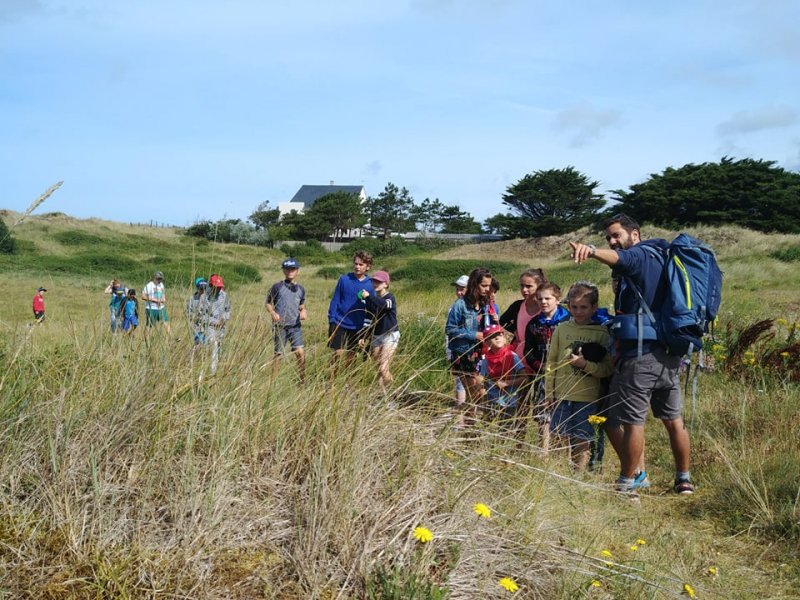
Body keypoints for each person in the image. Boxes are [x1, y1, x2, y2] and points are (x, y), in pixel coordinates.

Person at [570, 213, 694, 495]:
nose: (613, 242)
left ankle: (629, 481)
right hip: (669, 355)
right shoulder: (662, 256)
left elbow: (622, 260)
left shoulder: (638, 255)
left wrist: (591, 251)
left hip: (640, 358)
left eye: (617, 236)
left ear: (634, 234)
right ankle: (684, 478)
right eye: (608, 239)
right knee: (674, 421)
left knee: (628, 421)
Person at [545, 281, 613, 470]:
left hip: (587, 397)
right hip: (561, 395)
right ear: (568, 306)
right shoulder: (562, 329)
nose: (579, 311)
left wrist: (585, 365)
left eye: (584, 307)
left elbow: (607, 369)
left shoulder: (601, 333)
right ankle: (557, 474)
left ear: (594, 307)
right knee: (557, 436)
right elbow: (551, 363)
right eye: (574, 307)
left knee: (582, 439)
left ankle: (578, 473)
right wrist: (549, 392)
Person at [524, 282, 570, 451]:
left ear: (557, 300)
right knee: (543, 414)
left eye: (548, 298)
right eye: (540, 299)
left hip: (565, 374)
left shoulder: (569, 320)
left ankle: (563, 450)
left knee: (563, 411)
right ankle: (544, 451)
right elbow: (528, 351)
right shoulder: (534, 324)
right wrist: (539, 366)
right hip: (542, 374)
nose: (543, 302)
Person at [500, 269, 547, 433]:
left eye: (529, 286)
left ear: (539, 286)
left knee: (543, 404)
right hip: (520, 361)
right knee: (521, 402)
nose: (524, 290)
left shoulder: (547, 307)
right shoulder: (517, 306)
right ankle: (518, 441)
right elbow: (503, 325)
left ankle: (545, 446)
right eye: (522, 286)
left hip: (542, 361)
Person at [445, 267, 493, 423]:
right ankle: (470, 428)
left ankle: (469, 427)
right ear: (474, 284)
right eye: (484, 285)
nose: (487, 289)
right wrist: (474, 335)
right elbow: (450, 329)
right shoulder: (460, 305)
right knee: (475, 393)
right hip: (462, 353)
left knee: (479, 392)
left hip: (480, 353)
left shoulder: (485, 304)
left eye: (488, 286)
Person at [327, 251, 375, 375]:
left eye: (361, 264)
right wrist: (332, 319)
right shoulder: (344, 279)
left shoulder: (371, 284)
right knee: (337, 353)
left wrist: (368, 328)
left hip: (358, 325)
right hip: (340, 321)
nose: (357, 267)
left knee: (351, 355)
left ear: (368, 267)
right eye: (356, 264)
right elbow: (335, 299)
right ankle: (331, 381)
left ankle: (347, 382)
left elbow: (372, 305)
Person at [266, 258, 307, 383]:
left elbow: (301, 304)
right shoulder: (277, 286)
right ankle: (274, 381)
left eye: (293, 269)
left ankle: (302, 379)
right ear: (284, 270)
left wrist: (303, 311)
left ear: (297, 271)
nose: (290, 271)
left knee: (300, 352)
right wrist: (272, 312)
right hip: (280, 326)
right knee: (278, 355)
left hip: (295, 326)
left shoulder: (301, 289)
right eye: (287, 269)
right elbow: (268, 303)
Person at [478, 324, 527, 423]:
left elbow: (525, 378)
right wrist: (483, 395)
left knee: (505, 430)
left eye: (499, 335)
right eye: (492, 337)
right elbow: (482, 379)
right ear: (487, 343)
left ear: (504, 339)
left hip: (509, 402)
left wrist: (506, 383)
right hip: (491, 401)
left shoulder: (512, 356)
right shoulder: (485, 360)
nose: (497, 338)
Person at [360, 270, 399, 388]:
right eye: (374, 281)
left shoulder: (389, 297)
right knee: (378, 367)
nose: (375, 283)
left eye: (379, 282)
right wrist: (363, 336)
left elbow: (384, 305)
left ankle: (396, 391)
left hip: (390, 335)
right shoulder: (371, 299)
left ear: (386, 284)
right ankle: (383, 395)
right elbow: (368, 318)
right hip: (376, 336)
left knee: (383, 367)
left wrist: (369, 297)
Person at [446, 275, 469, 405]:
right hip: (454, 348)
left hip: (466, 349)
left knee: (464, 380)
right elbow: (449, 330)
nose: (459, 292)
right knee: (459, 379)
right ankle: (461, 407)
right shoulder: (454, 306)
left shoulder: (472, 307)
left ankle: (461, 409)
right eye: (457, 289)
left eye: (462, 289)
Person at [206, 274, 231, 375]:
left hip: (221, 327)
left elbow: (227, 310)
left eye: (219, 288)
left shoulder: (224, 296)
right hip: (209, 327)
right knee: (213, 346)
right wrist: (212, 322)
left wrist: (223, 319)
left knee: (219, 347)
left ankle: (218, 369)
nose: (218, 289)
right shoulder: (205, 297)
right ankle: (212, 372)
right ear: (211, 286)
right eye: (216, 287)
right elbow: (201, 314)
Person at [186, 277, 211, 344]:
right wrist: (194, 317)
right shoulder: (192, 299)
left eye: (204, 288)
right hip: (197, 327)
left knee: (207, 343)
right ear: (197, 288)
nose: (203, 290)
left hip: (207, 326)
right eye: (201, 288)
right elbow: (188, 313)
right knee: (197, 343)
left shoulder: (209, 298)